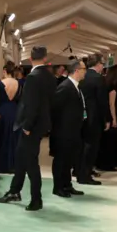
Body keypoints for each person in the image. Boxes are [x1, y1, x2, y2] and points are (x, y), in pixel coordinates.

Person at [0, 46, 54, 211]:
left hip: (31, 126)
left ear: (30, 59)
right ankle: (15, 191)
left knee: (31, 163)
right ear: (45, 58)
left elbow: (32, 105)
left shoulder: (34, 77)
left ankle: (37, 199)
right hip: (40, 125)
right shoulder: (50, 77)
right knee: (21, 157)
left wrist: (27, 126)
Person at [50, 60, 86, 197]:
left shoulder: (76, 86)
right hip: (63, 131)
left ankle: (67, 184)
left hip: (72, 131)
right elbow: (55, 109)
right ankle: (58, 187)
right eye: (84, 69)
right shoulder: (65, 87)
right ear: (77, 70)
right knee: (61, 160)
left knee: (69, 159)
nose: (85, 72)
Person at [77, 53, 110, 185]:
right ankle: (85, 174)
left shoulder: (82, 77)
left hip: (82, 115)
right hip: (94, 117)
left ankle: (79, 170)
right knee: (92, 147)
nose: (103, 66)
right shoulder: (98, 79)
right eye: (102, 64)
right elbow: (103, 102)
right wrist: (107, 119)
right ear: (98, 64)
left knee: (82, 145)